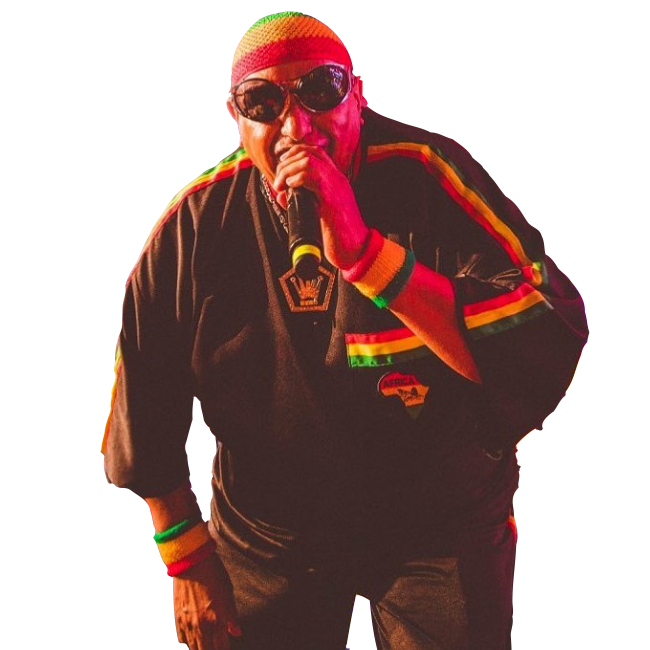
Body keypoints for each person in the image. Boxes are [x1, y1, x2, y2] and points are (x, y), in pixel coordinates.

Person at [101, 11, 588, 650]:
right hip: (270, 531)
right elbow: (144, 387)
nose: (297, 127)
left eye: (320, 90)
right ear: (236, 118)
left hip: (438, 525)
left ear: (357, 94)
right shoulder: (195, 221)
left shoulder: (430, 170)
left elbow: (547, 321)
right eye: (264, 102)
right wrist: (186, 556)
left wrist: (365, 255)